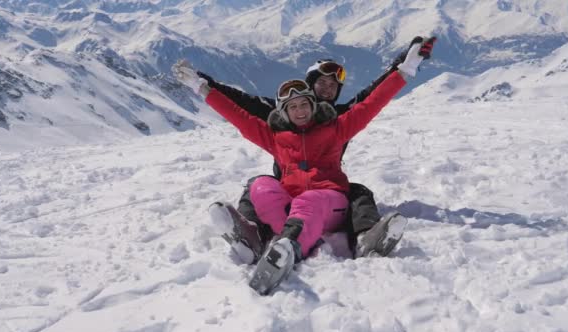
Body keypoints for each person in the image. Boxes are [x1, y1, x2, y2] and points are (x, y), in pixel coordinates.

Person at [174, 39, 434, 294]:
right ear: (284, 111)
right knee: (260, 186)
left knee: (341, 195)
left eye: (304, 105)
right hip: (291, 199)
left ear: (312, 105)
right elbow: (237, 111)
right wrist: (201, 86)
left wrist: (403, 69)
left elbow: (371, 101)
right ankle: (251, 236)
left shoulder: (338, 125)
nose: (299, 110)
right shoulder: (276, 133)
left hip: (327, 198)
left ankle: (296, 248)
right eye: (293, 106)